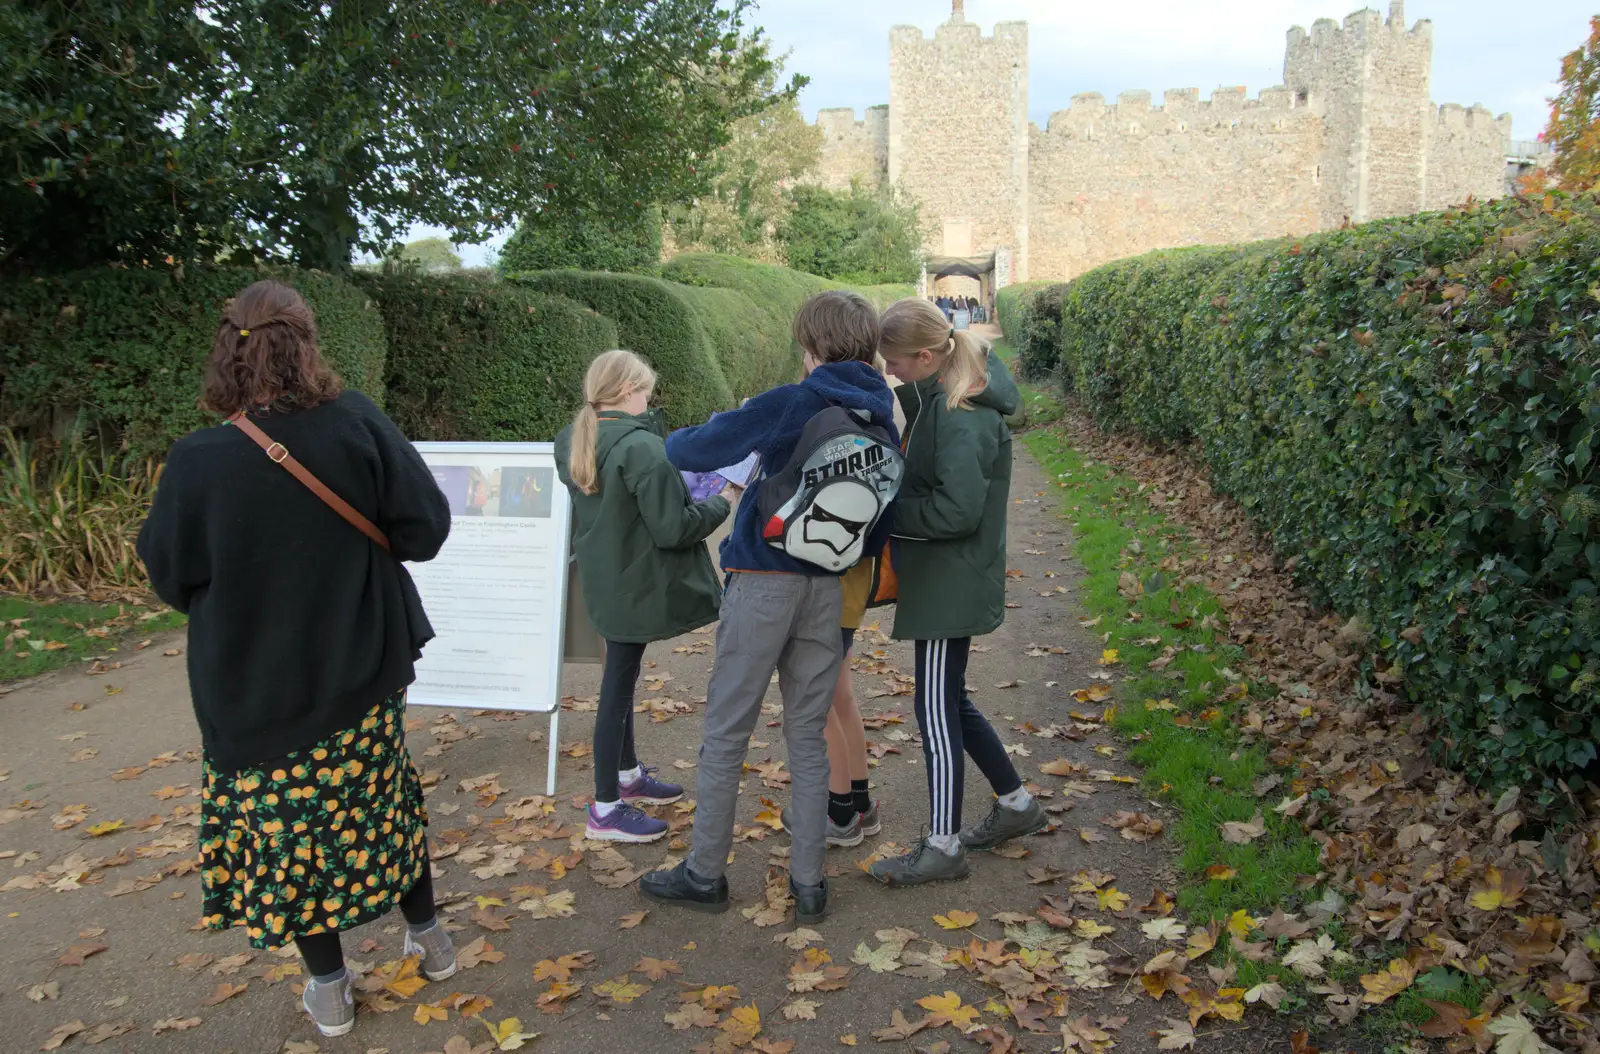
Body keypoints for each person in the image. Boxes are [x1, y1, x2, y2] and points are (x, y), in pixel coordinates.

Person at [136, 280, 454, 1038]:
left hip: (253, 687)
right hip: (360, 664)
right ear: (307, 342)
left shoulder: (198, 460)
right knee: (383, 797)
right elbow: (424, 530)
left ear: (227, 352)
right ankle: (432, 940)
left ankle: (331, 987)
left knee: (288, 838)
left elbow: (172, 578)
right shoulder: (356, 421)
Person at [640, 291, 898, 925]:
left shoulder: (793, 400)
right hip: (827, 587)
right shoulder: (881, 415)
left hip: (763, 580)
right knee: (807, 735)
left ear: (808, 347)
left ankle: (705, 873)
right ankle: (810, 884)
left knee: (727, 731)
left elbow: (690, 451)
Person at [866, 297, 1047, 887]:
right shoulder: (942, 400)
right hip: (948, 576)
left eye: (893, 362)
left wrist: (884, 512)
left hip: (951, 579)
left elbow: (957, 511)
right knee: (952, 702)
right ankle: (1017, 806)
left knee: (935, 710)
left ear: (924, 356)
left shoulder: (961, 411)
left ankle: (943, 844)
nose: (888, 371)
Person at [554, 350, 731, 843]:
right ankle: (605, 810)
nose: (650, 397)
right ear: (631, 390)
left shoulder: (572, 439)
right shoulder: (642, 448)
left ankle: (627, 777)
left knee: (621, 679)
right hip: (634, 582)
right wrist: (723, 501)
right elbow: (675, 528)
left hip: (605, 578)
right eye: (647, 389)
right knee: (616, 689)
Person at [780, 555, 881, 846]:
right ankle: (859, 802)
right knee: (840, 697)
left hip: (824, 593)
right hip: (849, 594)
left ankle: (839, 813)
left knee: (818, 706)